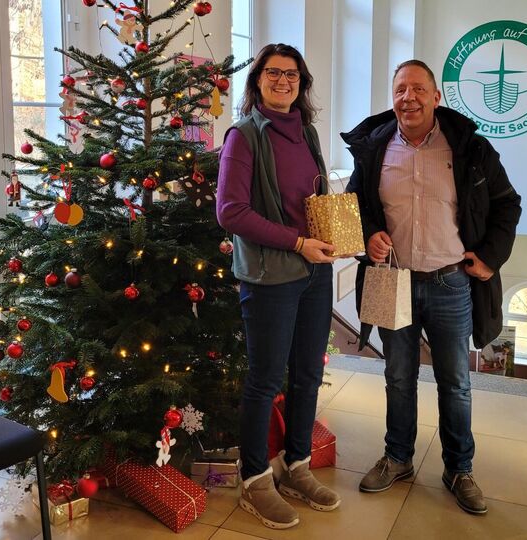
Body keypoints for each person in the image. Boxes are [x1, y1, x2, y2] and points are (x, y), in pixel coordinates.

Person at [342, 59, 521, 515]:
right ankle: (398, 457)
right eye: (401, 89)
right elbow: (355, 205)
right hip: (394, 281)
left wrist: (491, 258)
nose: (410, 98)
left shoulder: (469, 148)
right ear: (393, 98)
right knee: (398, 377)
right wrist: (369, 235)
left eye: (419, 89)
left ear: (436, 97)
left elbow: (507, 204)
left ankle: (459, 468)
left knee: (455, 383)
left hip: (451, 283)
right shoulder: (375, 148)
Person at [216, 43, 341, 529]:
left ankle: (297, 466)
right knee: (266, 379)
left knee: (308, 372)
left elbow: (310, 198)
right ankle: (254, 479)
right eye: (273, 73)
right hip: (271, 276)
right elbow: (231, 212)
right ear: (257, 81)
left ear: (301, 82)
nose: (283, 81)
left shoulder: (306, 131)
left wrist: (328, 234)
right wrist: (298, 242)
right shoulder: (244, 136)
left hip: (315, 271)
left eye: (292, 74)